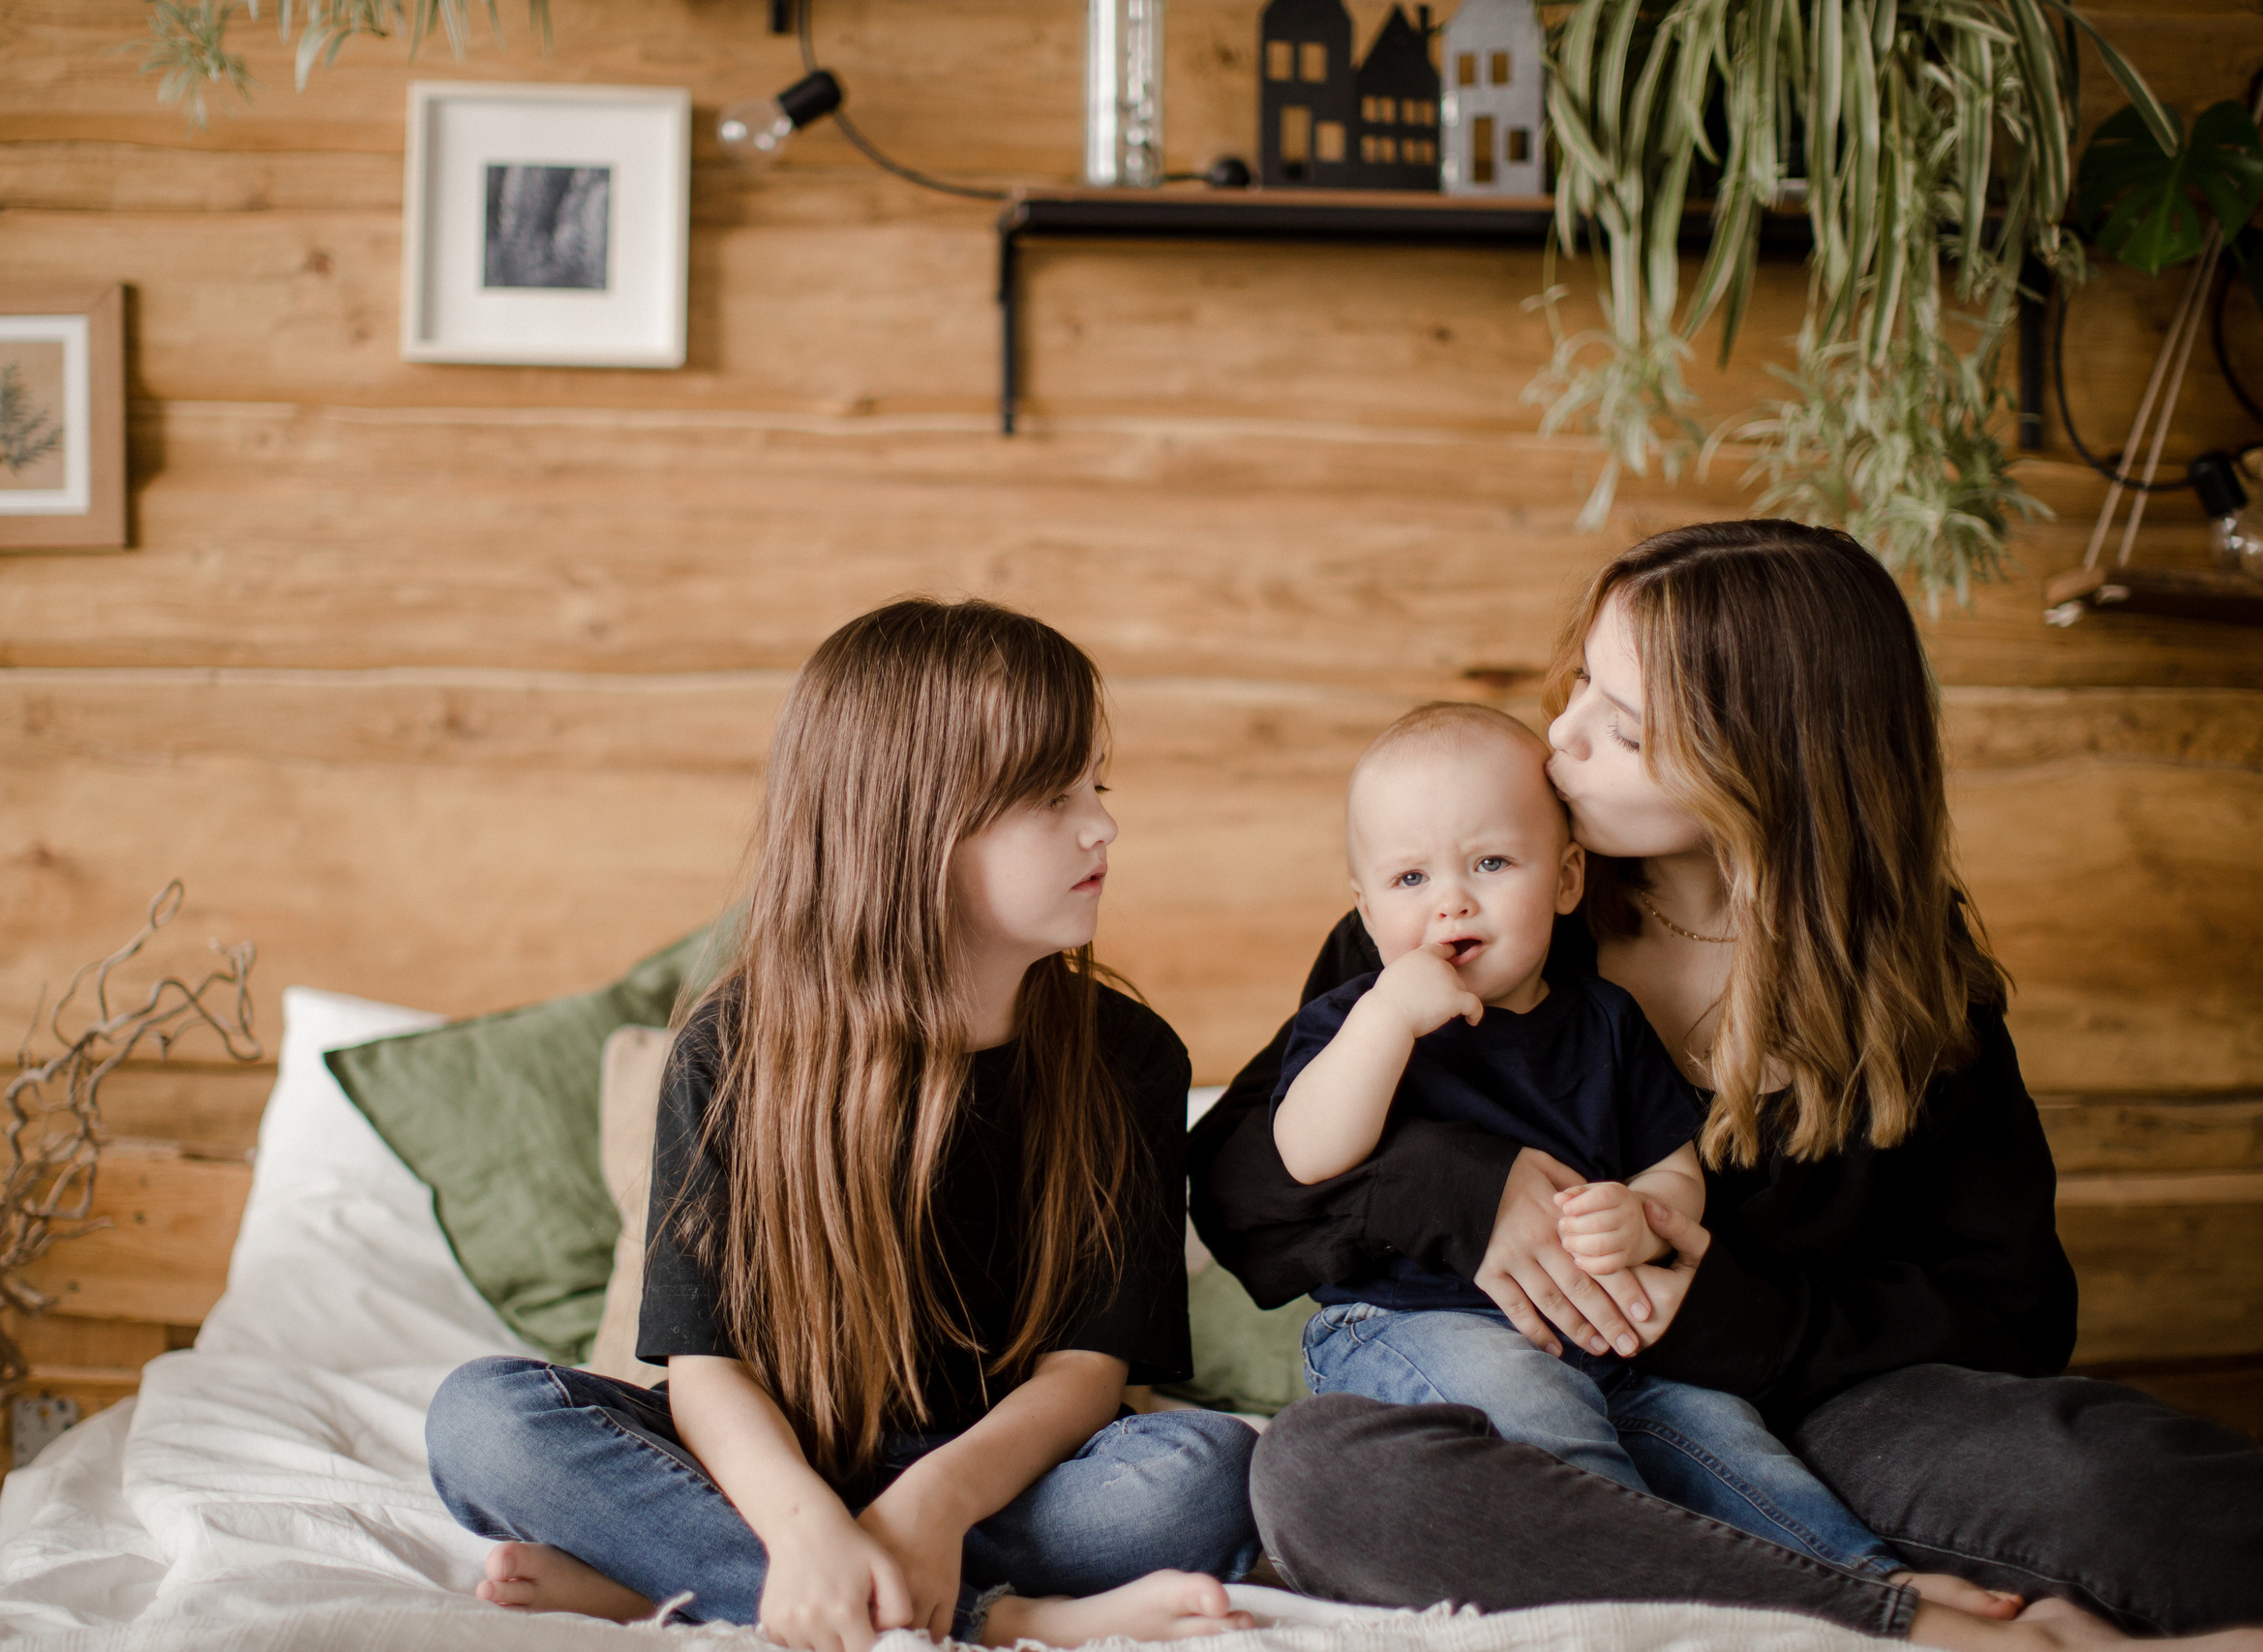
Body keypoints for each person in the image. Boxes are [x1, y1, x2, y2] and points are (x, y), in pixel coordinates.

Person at [1192, 521, 2263, 1651]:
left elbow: (2012, 1316)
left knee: (2122, 1484)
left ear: (1765, 764)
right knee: (1326, 1478)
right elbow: (1242, 1191)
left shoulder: (1913, 985)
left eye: (1622, 725)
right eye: (1577, 689)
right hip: (1504, 1389)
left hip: (1837, 1415)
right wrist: (1468, 1189)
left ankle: (1834, 1591)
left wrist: (1733, 1320)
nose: (1558, 739)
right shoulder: (1468, 907)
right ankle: (1896, 1623)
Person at [427, 599, 1261, 1652]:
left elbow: (1085, 1375)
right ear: (913, 822)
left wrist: (935, 1504)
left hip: (998, 1475)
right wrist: (803, 1521)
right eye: (1054, 796)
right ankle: (988, 1615)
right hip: (768, 1469)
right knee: (483, 1423)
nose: (1102, 824)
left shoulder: (1131, 1057)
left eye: (1097, 784)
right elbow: (705, 1370)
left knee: (1205, 1479)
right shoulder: (729, 1052)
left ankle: (681, 1582)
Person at [1273, 700, 1990, 1601]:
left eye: (1492, 863)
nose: (1450, 899)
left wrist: (1647, 1214)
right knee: (1534, 1407)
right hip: (1413, 1327)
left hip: (1607, 1338)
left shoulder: (1604, 1021)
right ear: (1365, 906)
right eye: (1408, 878)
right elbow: (1305, 1151)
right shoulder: (1355, 1019)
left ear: (1568, 879)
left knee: (1719, 1430)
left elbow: (1671, 1159)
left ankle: (1868, 1583)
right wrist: (1385, 1018)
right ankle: (1640, 1583)